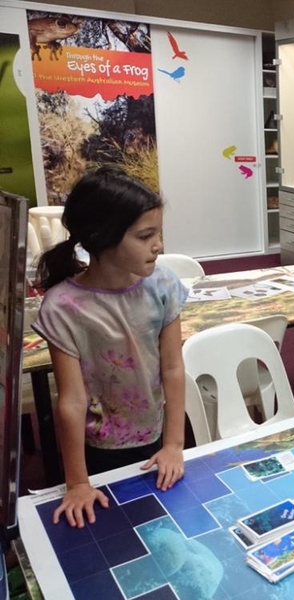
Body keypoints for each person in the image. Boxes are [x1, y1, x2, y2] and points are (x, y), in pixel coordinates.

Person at [33, 167, 188, 528]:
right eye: (145, 235)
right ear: (101, 238)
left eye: (158, 234)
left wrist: (174, 445)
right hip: (98, 449)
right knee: (113, 534)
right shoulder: (64, 306)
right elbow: (71, 400)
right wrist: (76, 482)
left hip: (157, 435)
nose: (158, 246)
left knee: (162, 527)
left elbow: (173, 368)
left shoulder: (163, 285)